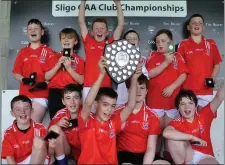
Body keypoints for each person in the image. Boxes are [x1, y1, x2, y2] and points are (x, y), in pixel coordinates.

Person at [77, 57, 142, 164]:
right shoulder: (87, 120)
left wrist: (134, 79)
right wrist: (101, 74)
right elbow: (88, 103)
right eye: (105, 105)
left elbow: (131, 105)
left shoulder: (113, 121)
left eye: (113, 106)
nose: (109, 109)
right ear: (96, 104)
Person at [145, 29, 188, 159]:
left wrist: (172, 86)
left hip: (172, 104)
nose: (160, 44)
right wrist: (166, 62)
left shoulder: (178, 56)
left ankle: (170, 160)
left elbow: (183, 75)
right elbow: (149, 74)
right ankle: (156, 160)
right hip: (155, 103)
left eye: (163, 41)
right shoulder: (152, 56)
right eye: (158, 41)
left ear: (170, 42)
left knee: (170, 138)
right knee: (156, 138)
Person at [163, 83, 224, 165]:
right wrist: (192, 137)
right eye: (182, 104)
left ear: (195, 106)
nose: (187, 107)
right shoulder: (176, 122)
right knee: (172, 139)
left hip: (204, 156)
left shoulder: (204, 115)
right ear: (178, 108)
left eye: (190, 103)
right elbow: (166, 133)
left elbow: (219, 98)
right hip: (187, 156)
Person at [116, 74, 170, 165]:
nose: (138, 91)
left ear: (146, 91)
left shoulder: (152, 116)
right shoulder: (118, 112)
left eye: (142, 88)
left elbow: (151, 148)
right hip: (124, 155)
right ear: (128, 90)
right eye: (135, 87)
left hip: (144, 155)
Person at [78, 0, 124, 104]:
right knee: (88, 117)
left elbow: (120, 25)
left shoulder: (110, 43)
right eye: (96, 28)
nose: (99, 30)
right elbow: (81, 22)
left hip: (106, 87)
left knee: (103, 118)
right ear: (92, 32)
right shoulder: (88, 42)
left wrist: (117, 4)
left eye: (102, 28)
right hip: (89, 86)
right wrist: (83, 2)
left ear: (107, 32)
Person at [12, 19, 54, 123]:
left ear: (42, 32)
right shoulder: (22, 52)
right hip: (24, 95)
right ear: (27, 33)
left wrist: (46, 83)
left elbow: (54, 73)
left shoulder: (48, 51)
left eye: (36, 28)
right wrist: (24, 79)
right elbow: (16, 73)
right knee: (21, 125)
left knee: (32, 124)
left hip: (41, 95)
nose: (33, 31)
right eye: (30, 29)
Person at [177, 14, 222, 109]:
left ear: (203, 27)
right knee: (188, 122)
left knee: (203, 122)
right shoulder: (183, 44)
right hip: (187, 91)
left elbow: (217, 64)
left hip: (206, 91)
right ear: (188, 27)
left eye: (200, 23)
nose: (197, 25)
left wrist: (213, 77)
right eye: (194, 23)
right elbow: (179, 68)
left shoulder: (211, 43)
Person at [44, 28, 84, 119]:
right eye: (63, 38)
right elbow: (47, 77)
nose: (66, 40)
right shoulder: (53, 57)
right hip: (55, 93)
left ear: (75, 41)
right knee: (55, 120)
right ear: (60, 41)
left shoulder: (79, 60)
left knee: (73, 122)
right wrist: (58, 65)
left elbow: (81, 81)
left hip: (72, 93)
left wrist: (69, 68)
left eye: (69, 38)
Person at [1, 95, 50, 164]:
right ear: (12, 113)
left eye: (26, 108)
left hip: (39, 160)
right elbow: (9, 158)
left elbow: (51, 146)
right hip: (20, 162)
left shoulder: (40, 128)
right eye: (18, 109)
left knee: (40, 141)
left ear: (31, 111)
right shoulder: (8, 133)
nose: (23, 112)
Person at [47, 84, 82, 163]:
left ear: (80, 100)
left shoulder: (86, 114)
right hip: (67, 151)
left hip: (84, 152)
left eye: (75, 98)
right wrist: (58, 124)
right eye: (68, 98)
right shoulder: (60, 114)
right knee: (54, 129)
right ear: (63, 101)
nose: (72, 102)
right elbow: (48, 136)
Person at [116, 29, 149, 107]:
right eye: (128, 39)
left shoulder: (142, 60)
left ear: (138, 42)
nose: (132, 41)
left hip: (137, 102)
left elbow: (145, 81)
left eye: (134, 39)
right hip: (120, 100)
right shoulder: (116, 59)